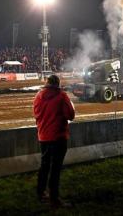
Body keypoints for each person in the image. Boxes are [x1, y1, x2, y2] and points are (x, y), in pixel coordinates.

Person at [33, 74, 75, 208]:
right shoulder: (61, 96)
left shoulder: (38, 96)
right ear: (57, 84)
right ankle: (54, 199)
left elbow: (36, 114)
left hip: (43, 137)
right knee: (55, 169)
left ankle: (40, 193)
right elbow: (71, 115)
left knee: (44, 165)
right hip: (58, 137)